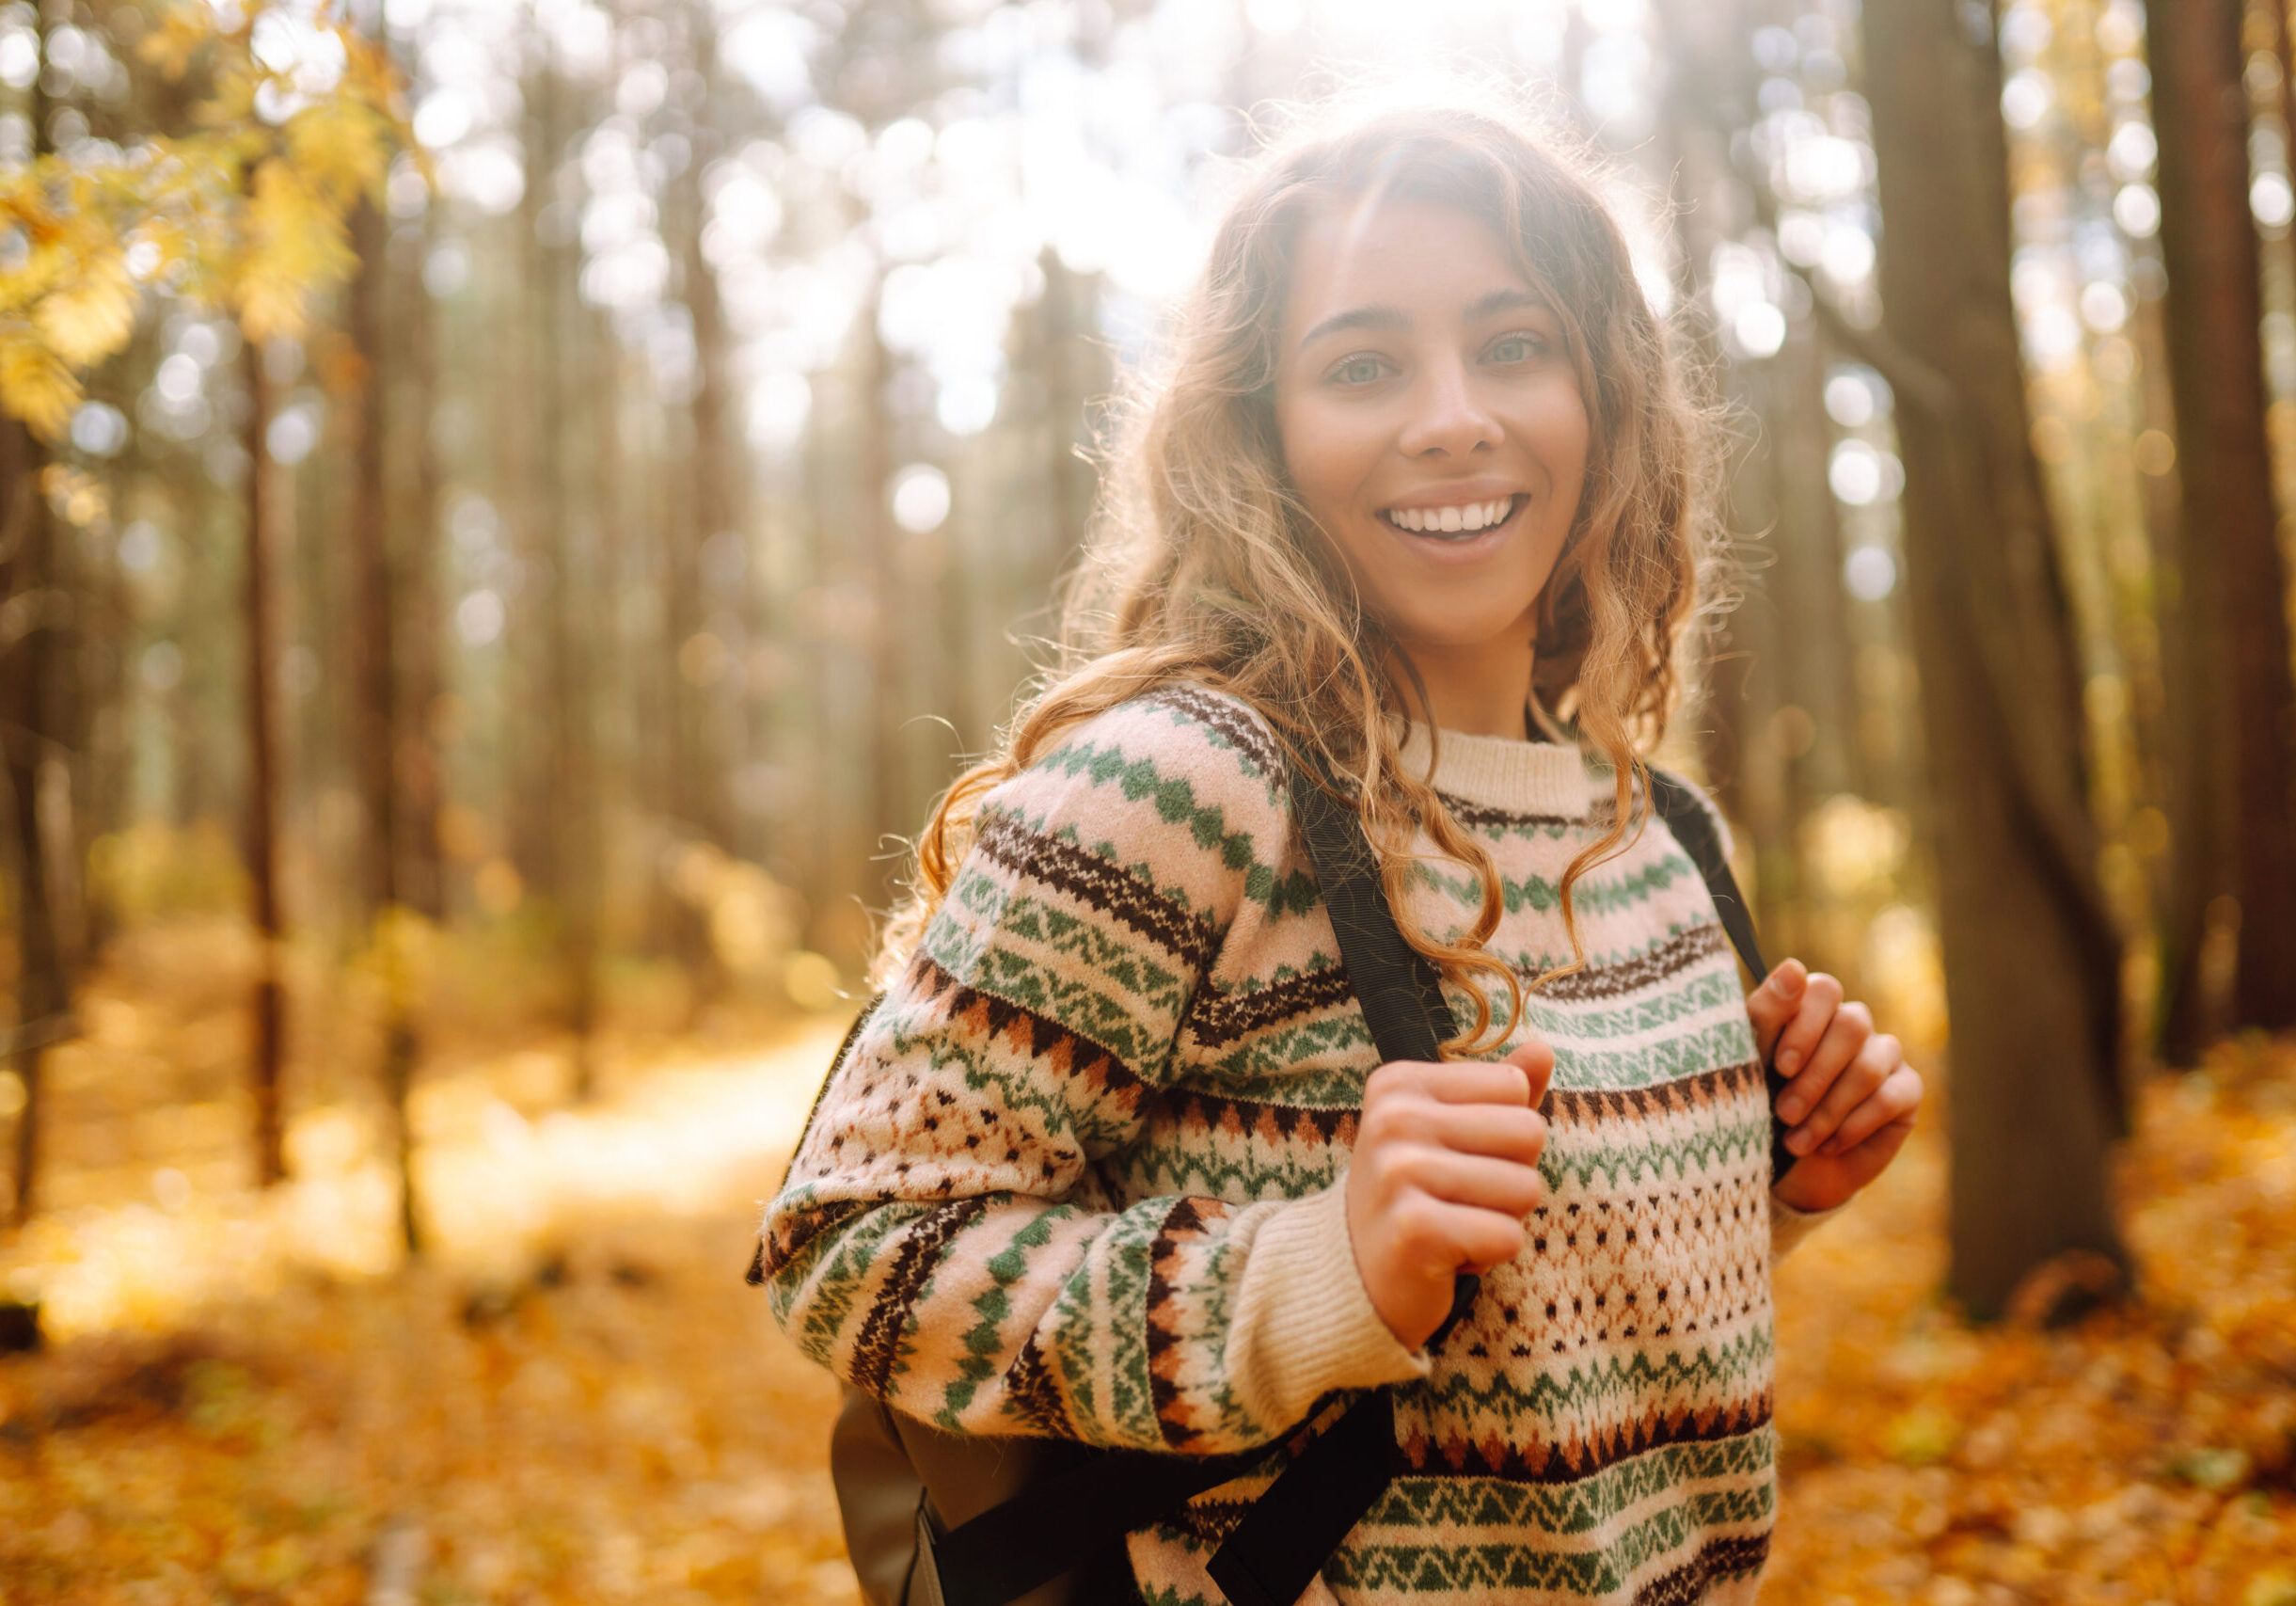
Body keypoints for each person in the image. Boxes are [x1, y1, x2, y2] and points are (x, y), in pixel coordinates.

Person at [754, 89, 1924, 1606]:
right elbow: (848, 1247)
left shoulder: (1663, 832)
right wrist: (1309, 1279)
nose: (1452, 414)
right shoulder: (1178, 790)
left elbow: (1537, 1355)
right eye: (1363, 363)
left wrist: (1769, 1189)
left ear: (1603, 399)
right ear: (1263, 435)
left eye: (1514, 345)